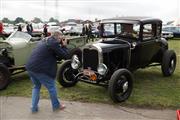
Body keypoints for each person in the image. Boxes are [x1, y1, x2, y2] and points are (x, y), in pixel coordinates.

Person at [26, 31, 69, 113]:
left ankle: (33, 108)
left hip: (30, 67)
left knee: (36, 87)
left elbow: (53, 54)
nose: (61, 40)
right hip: (40, 69)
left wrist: (60, 46)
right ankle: (56, 106)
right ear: (58, 38)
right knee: (52, 87)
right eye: (61, 38)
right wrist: (64, 46)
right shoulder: (54, 43)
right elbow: (65, 56)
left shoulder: (45, 40)